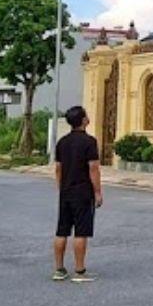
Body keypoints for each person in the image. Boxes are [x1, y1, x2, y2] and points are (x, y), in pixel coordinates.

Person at [53, 105, 103, 282]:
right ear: (83, 120)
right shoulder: (89, 142)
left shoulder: (62, 142)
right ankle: (80, 271)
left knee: (62, 230)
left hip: (65, 192)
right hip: (82, 192)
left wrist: (61, 187)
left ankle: (59, 269)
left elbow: (58, 168)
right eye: (86, 115)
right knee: (81, 232)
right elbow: (93, 168)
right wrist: (97, 192)